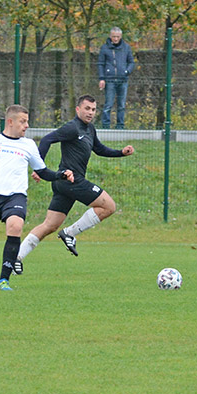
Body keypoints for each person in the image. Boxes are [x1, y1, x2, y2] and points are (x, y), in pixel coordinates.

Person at [0, 105, 74, 291]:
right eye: (23, 121)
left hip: (15, 197)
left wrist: (61, 174)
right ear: (10, 122)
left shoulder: (28, 145)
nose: (26, 125)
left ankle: (3, 279)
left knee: (15, 225)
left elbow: (42, 171)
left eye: (27, 121)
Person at [15, 95, 133, 273]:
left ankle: (16, 258)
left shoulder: (89, 129)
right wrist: (39, 168)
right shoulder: (72, 127)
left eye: (93, 109)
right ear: (78, 109)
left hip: (65, 184)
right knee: (109, 206)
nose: (90, 112)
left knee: (49, 225)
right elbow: (47, 140)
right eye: (87, 108)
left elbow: (99, 149)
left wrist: (121, 153)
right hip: (71, 180)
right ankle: (69, 233)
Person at [97, 27, 135, 129]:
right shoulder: (104, 48)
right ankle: (105, 126)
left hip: (123, 80)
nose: (116, 39)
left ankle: (120, 126)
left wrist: (126, 72)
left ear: (121, 37)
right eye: (114, 36)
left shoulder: (126, 48)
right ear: (110, 36)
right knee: (108, 105)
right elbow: (101, 64)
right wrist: (102, 78)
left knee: (121, 105)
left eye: (118, 37)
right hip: (109, 80)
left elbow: (131, 62)